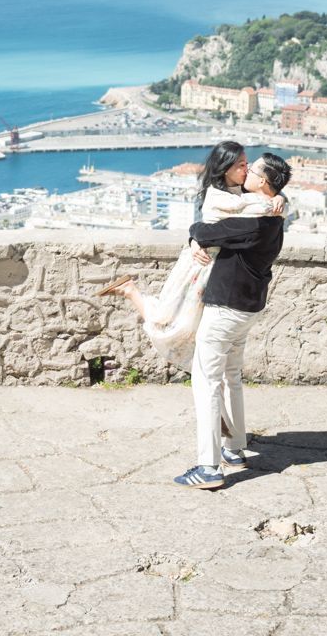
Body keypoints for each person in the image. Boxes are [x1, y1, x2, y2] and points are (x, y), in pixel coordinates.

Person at [173, 152, 291, 490]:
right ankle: (235, 447)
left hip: (226, 307)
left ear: (263, 183)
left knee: (206, 381)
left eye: (253, 170)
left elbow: (205, 229)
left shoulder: (254, 222)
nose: (247, 170)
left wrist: (197, 235)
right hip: (248, 308)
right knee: (231, 376)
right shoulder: (271, 216)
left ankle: (209, 467)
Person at [95, 142, 262, 359]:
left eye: (247, 164)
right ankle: (131, 291)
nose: (247, 169)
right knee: (171, 324)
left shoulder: (245, 191)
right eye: (241, 165)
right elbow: (210, 228)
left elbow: (213, 228)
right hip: (200, 267)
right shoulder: (217, 196)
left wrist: (277, 199)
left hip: (217, 271)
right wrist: (195, 240)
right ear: (225, 168)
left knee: (197, 330)